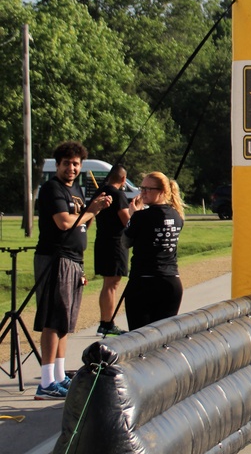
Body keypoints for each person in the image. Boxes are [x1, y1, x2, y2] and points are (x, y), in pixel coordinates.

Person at [33, 141, 112, 400]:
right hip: (55, 258)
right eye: (67, 163)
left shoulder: (76, 189)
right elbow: (65, 222)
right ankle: (45, 382)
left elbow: (81, 228)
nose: (72, 168)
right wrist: (92, 210)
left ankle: (58, 375)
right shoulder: (52, 189)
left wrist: (93, 211)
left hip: (74, 260)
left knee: (66, 321)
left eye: (76, 164)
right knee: (53, 319)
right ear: (58, 165)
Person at [122, 172, 184, 331]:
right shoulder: (177, 215)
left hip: (145, 281)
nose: (142, 193)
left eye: (148, 189)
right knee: (163, 336)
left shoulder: (141, 216)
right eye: (142, 188)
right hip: (171, 281)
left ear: (162, 192)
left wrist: (132, 216)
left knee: (140, 336)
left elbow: (125, 242)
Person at [94, 165, 131, 337]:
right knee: (111, 284)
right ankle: (107, 323)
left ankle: (106, 321)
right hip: (115, 243)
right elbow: (126, 220)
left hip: (102, 240)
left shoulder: (101, 192)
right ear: (123, 179)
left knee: (109, 283)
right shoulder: (118, 194)